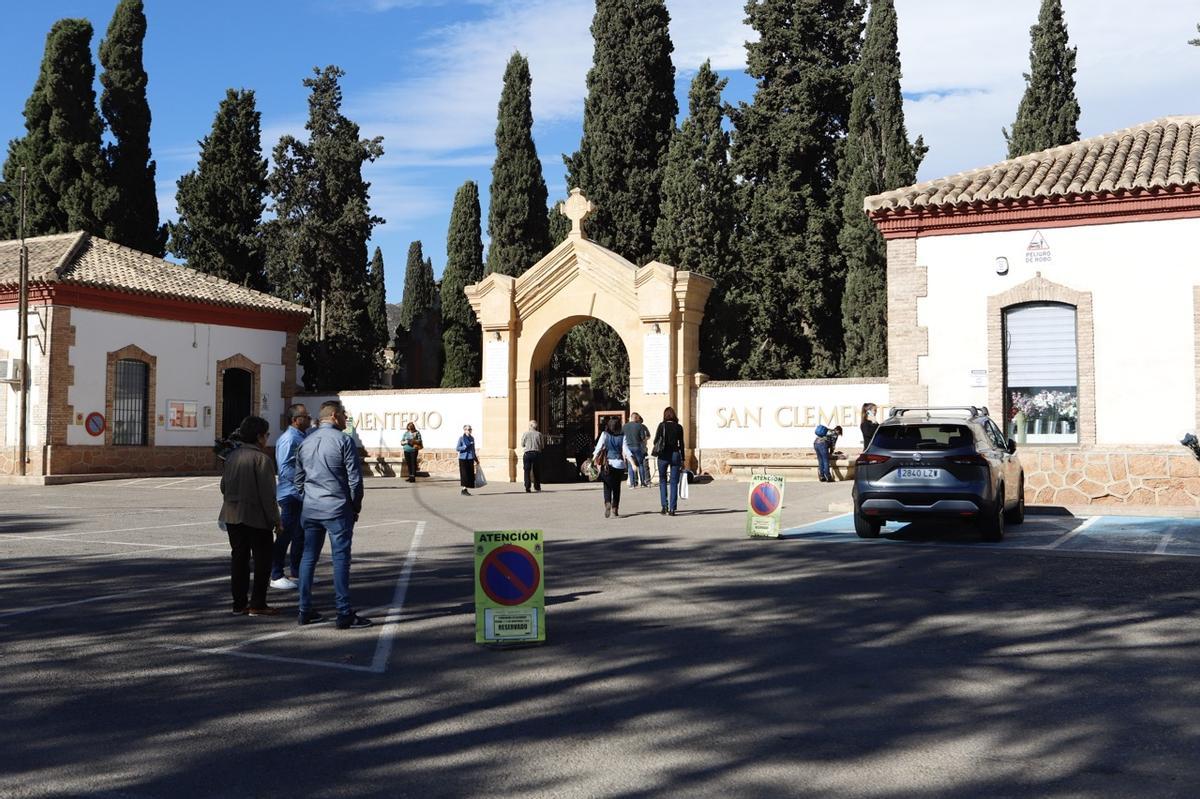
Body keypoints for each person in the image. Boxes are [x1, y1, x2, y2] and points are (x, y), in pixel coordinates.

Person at [295, 400, 370, 629]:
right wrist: (355, 505)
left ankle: (304, 609)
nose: (346, 420)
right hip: (337, 508)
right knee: (340, 560)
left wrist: (308, 498)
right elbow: (355, 480)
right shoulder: (344, 441)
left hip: (311, 508)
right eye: (345, 415)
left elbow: (298, 480)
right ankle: (343, 612)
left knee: (308, 558)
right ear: (335, 416)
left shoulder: (306, 442)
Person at [218, 415, 282, 617]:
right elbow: (267, 495)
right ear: (259, 436)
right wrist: (276, 521)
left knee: (239, 559)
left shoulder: (231, 456)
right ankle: (258, 603)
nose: (267, 438)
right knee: (262, 560)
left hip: (232, 515)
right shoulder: (262, 459)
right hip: (256, 517)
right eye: (266, 434)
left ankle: (239, 604)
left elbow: (223, 486)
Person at [270, 403, 310, 590]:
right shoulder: (289, 439)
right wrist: (303, 482)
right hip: (291, 494)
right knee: (285, 534)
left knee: (299, 535)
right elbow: (285, 468)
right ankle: (276, 574)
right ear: (295, 420)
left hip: (301, 494)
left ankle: (297, 572)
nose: (308, 418)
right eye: (304, 416)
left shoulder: (303, 436)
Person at [593, 417, 632, 518]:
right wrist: (633, 462)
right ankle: (615, 507)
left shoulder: (604, 435)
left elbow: (598, 448)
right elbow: (626, 450)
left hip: (607, 464)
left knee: (607, 485)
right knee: (616, 487)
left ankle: (607, 503)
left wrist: (593, 460)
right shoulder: (623, 436)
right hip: (619, 464)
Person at [653, 407, 685, 516]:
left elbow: (656, 440)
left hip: (663, 455)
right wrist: (683, 459)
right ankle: (672, 508)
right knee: (674, 482)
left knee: (662, 480)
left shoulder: (661, 426)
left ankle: (664, 506)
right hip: (675, 454)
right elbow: (682, 444)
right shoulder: (679, 427)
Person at [623, 412, 651, 489]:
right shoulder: (640, 426)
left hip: (628, 447)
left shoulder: (625, 426)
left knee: (630, 465)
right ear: (636, 418)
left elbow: (622, 437)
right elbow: (643, 437)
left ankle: (632, 484)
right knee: (641, 464)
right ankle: (642, 483)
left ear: (631, 418)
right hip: (637, 447)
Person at [521, 420, 543, 493]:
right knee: (536, 471)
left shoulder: (525, 433)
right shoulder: (539, 434)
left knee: (527, 471)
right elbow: (542, 445)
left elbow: (522, 444)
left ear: (530, 426)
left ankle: (527, 487)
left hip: (527, 454)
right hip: (536, 454)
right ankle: (537, 487)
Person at [457, 424, 479, 496]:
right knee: (464, 475)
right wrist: (465, 446)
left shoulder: (472, 438)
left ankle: (465, 489)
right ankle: (464, 489)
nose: (469, 431)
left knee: (469, 475)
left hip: (470, 458)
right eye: (468, 429)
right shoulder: (461, 438)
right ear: (465, 430)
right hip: (463, 458)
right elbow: (457, 448)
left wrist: (476, 459)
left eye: (470, 429)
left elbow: (473, 449)